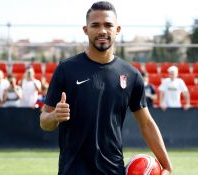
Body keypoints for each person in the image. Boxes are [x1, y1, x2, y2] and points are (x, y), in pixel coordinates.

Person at [39, 2, 172, 175]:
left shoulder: (131, 75)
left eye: (108, 25)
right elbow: (44, 122)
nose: (102, 30)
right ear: (86, 30)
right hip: (73, 170)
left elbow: (146, 123)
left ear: (117, 29)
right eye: (95, 25)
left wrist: (167, 166)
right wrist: (54, 116)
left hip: (113, 170)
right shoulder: (66, 69)